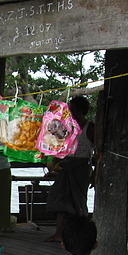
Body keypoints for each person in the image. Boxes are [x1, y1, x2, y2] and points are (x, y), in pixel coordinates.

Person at [45, 95, 95, 242]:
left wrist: (95, 174)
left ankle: (79, 235)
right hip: (66, 166)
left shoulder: (89, 128)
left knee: (78, 202)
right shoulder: (67, 127)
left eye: (72, 110)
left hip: (81, 168)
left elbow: (98, 152)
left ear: (80, 111)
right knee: (60, 199)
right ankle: (59, 233)